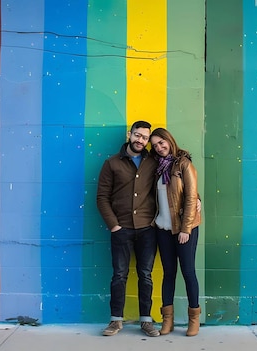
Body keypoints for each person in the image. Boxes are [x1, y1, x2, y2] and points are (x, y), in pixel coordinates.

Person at [96, 120, 160, 337]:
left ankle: (146, 321)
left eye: (144, 137)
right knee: (119, 275)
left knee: (146, 275)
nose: (141, 140)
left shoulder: (154, 162)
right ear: (129, 134)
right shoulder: (112, 163)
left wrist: (195, 197)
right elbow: (102, 198)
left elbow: (174, 182)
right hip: (121, 228)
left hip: (147, 229)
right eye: (137, 135)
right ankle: (115, 321)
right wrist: (114, 225)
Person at [149, 127, 201, 336]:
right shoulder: (156, 167)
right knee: (168, 273)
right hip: (162, 228)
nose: (160, 148)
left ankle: (194, 319)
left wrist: (186, 228)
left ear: (169, 140)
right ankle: (167, 321)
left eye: (162, 143)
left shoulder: (184, 164)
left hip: (184, 229)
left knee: (188, 272)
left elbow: (190, 196)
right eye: (155, 145)